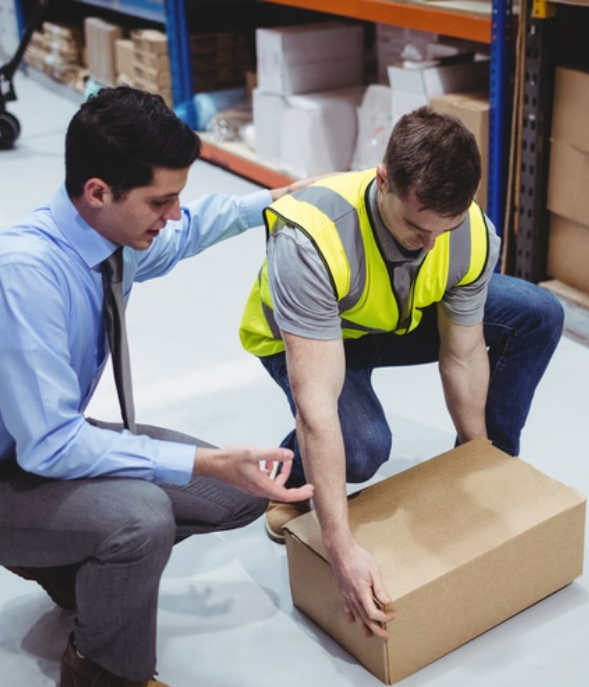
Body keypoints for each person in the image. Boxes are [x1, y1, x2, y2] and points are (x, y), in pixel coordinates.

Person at [0, 86, 314, 687]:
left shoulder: (113, 238)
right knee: (142, 516)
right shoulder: (21, 274)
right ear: (99, 192)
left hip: (37, 449)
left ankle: (74, 566)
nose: (173, 214)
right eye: (161, 201)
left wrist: (273, 204)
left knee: (233, 496)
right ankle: (103, 669)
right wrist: (199, 457)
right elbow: (49, 448)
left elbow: (190, 234)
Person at [240, 105, 564, 641]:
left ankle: (494, 466)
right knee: (361, 447)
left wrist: (473, 462)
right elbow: (317, 400)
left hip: (394, 315)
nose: (431, 244)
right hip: (309, 337)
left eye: (447, 228)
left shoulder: (469, 233)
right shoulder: (312, 237)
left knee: (536, 314)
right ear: (383, 180)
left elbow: (462, 353)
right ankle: (292, 480)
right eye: (416, 226)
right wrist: (339, 548)